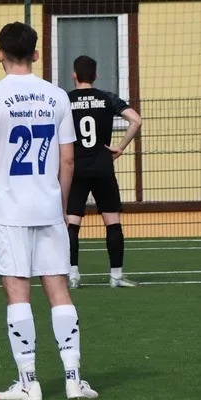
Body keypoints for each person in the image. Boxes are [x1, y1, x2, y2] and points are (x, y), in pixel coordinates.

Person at [0, 22, 96, 400]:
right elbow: (68, 160)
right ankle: (74, 379)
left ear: (0, 54)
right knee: (59, 291)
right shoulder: (57, 96)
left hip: (8, 210)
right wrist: (60, 204)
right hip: (48, 207)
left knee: (18, 294)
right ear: (36, 54)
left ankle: (28, 382)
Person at [65, 55, 143, 289]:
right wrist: (120, 147)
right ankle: (116, 276)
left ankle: (73, 276)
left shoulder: (65, 100)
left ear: (74, 75)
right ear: (96, 76)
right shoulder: (107, 97)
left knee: (71, 223)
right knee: (112, 222)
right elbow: (136, 120)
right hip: (102, 166)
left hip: (76, 167)